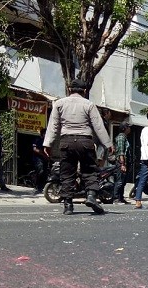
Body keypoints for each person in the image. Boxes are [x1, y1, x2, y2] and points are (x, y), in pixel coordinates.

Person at [43, 78, 112, 215]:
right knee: (90, 171)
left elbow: (53, 126)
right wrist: (108, 144)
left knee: (67, 173)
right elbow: (98, 126)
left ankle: (68, 205)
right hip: (85, 141)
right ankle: (91, 196)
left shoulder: (59, 104)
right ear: (84, 91)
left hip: (66, 142)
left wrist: (48, 144)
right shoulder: (89, 105)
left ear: (69, 90)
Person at [112, 123, 131, 204]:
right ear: (124, 128)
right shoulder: (121, 137)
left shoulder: (124, 137)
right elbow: (121, 152)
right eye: (128, 127)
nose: (129, 129)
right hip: (121, 162)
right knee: (119, 181)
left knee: (123, 181)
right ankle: (116, 198)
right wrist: (122, 164)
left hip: (125, 162)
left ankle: (121, 197)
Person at [31, 128, 48, 193]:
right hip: (38, 158)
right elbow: (35, 149)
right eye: (45, 133)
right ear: (42, 134)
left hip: (45, 159)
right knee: (40, 171)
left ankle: (42, 187)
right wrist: (43, 154)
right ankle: (37, 186)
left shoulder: (46, 141)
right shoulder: (37, 140)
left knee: (45, 173)